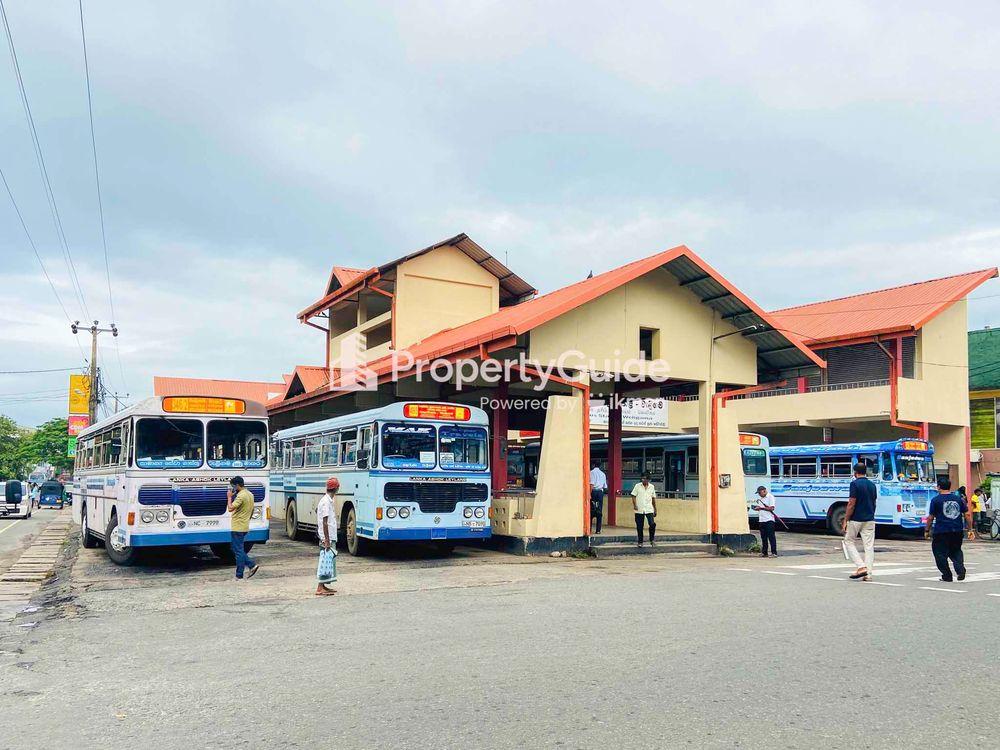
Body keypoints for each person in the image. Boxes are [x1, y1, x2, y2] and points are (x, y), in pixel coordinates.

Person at [925, 477, 973, 582]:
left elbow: (930, 517)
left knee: (940, 553)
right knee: (956, 551)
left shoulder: (935, 500)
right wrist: (970, 529)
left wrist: (927, 530)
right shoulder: (958, 499)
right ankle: (960, 570)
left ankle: (947, 575)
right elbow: (967, 515)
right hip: (957, 530)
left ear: (938, 487)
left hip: (941, 531)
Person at [843, 462, 877, 581]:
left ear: (855, 472)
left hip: (856, 519)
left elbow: (851, 503)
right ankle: (868, 574)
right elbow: (874, 502)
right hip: (870, 519)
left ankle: (861, 566)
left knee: (848, 541)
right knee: (869, 546)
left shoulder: (854, 484)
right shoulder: (872, 485)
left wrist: (846, 519)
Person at [226, 476, 259, 580]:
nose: (232, 488)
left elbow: (230, 508)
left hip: (237, 526)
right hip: (244, 525)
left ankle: (248, 568)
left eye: (233, 486)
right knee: (237, 549)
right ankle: (242, 572)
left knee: (238, 551)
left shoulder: (241, 496)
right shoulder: (250, 494)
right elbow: (252, 510)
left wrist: (229, 497)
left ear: (237, 485)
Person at [316, 477, 340, 596]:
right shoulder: (326, 502)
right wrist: (326, 540)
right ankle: (320, 587)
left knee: (328, 561)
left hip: (329, 535)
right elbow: (324, 522)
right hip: (327, 537)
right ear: (336, 488)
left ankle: (324, 585)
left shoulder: (328, 500)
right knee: (325, 560)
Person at [631, 473, 657, 548]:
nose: (643, 480)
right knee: (639, 526)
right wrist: (635, 505)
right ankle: (640, 541)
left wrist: (655, 509)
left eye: (644, 478)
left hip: (649, 509)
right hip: (639, 509)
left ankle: (652, 540)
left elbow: (653, 499)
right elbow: (633, 496)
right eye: (642, 478)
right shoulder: (637, 486)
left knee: (652, 524)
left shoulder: (652, 487)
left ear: (648, 479)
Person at [752, 485, 778, 558]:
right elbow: (761, 508)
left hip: (769, 520)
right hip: (762, 520)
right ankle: (764, 552)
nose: (759, 494)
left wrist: (761, 508)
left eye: (760, 492)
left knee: (771, 537)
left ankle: (774, 552)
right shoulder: (760, 499)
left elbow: (771, 508)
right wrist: (758, 509)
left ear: (764, 491)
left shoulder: (770, 497)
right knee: (763, 537)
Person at [589, 460, 607, 534]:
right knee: (599, 511)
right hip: (600, 493)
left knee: (591, 510)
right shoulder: (603, 474)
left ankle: (589, 529)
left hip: (594, 492)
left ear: (593, 465)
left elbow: (591, 484)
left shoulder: (592, 472)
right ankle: (598, 530)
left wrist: (589, 494)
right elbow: (605, 486)